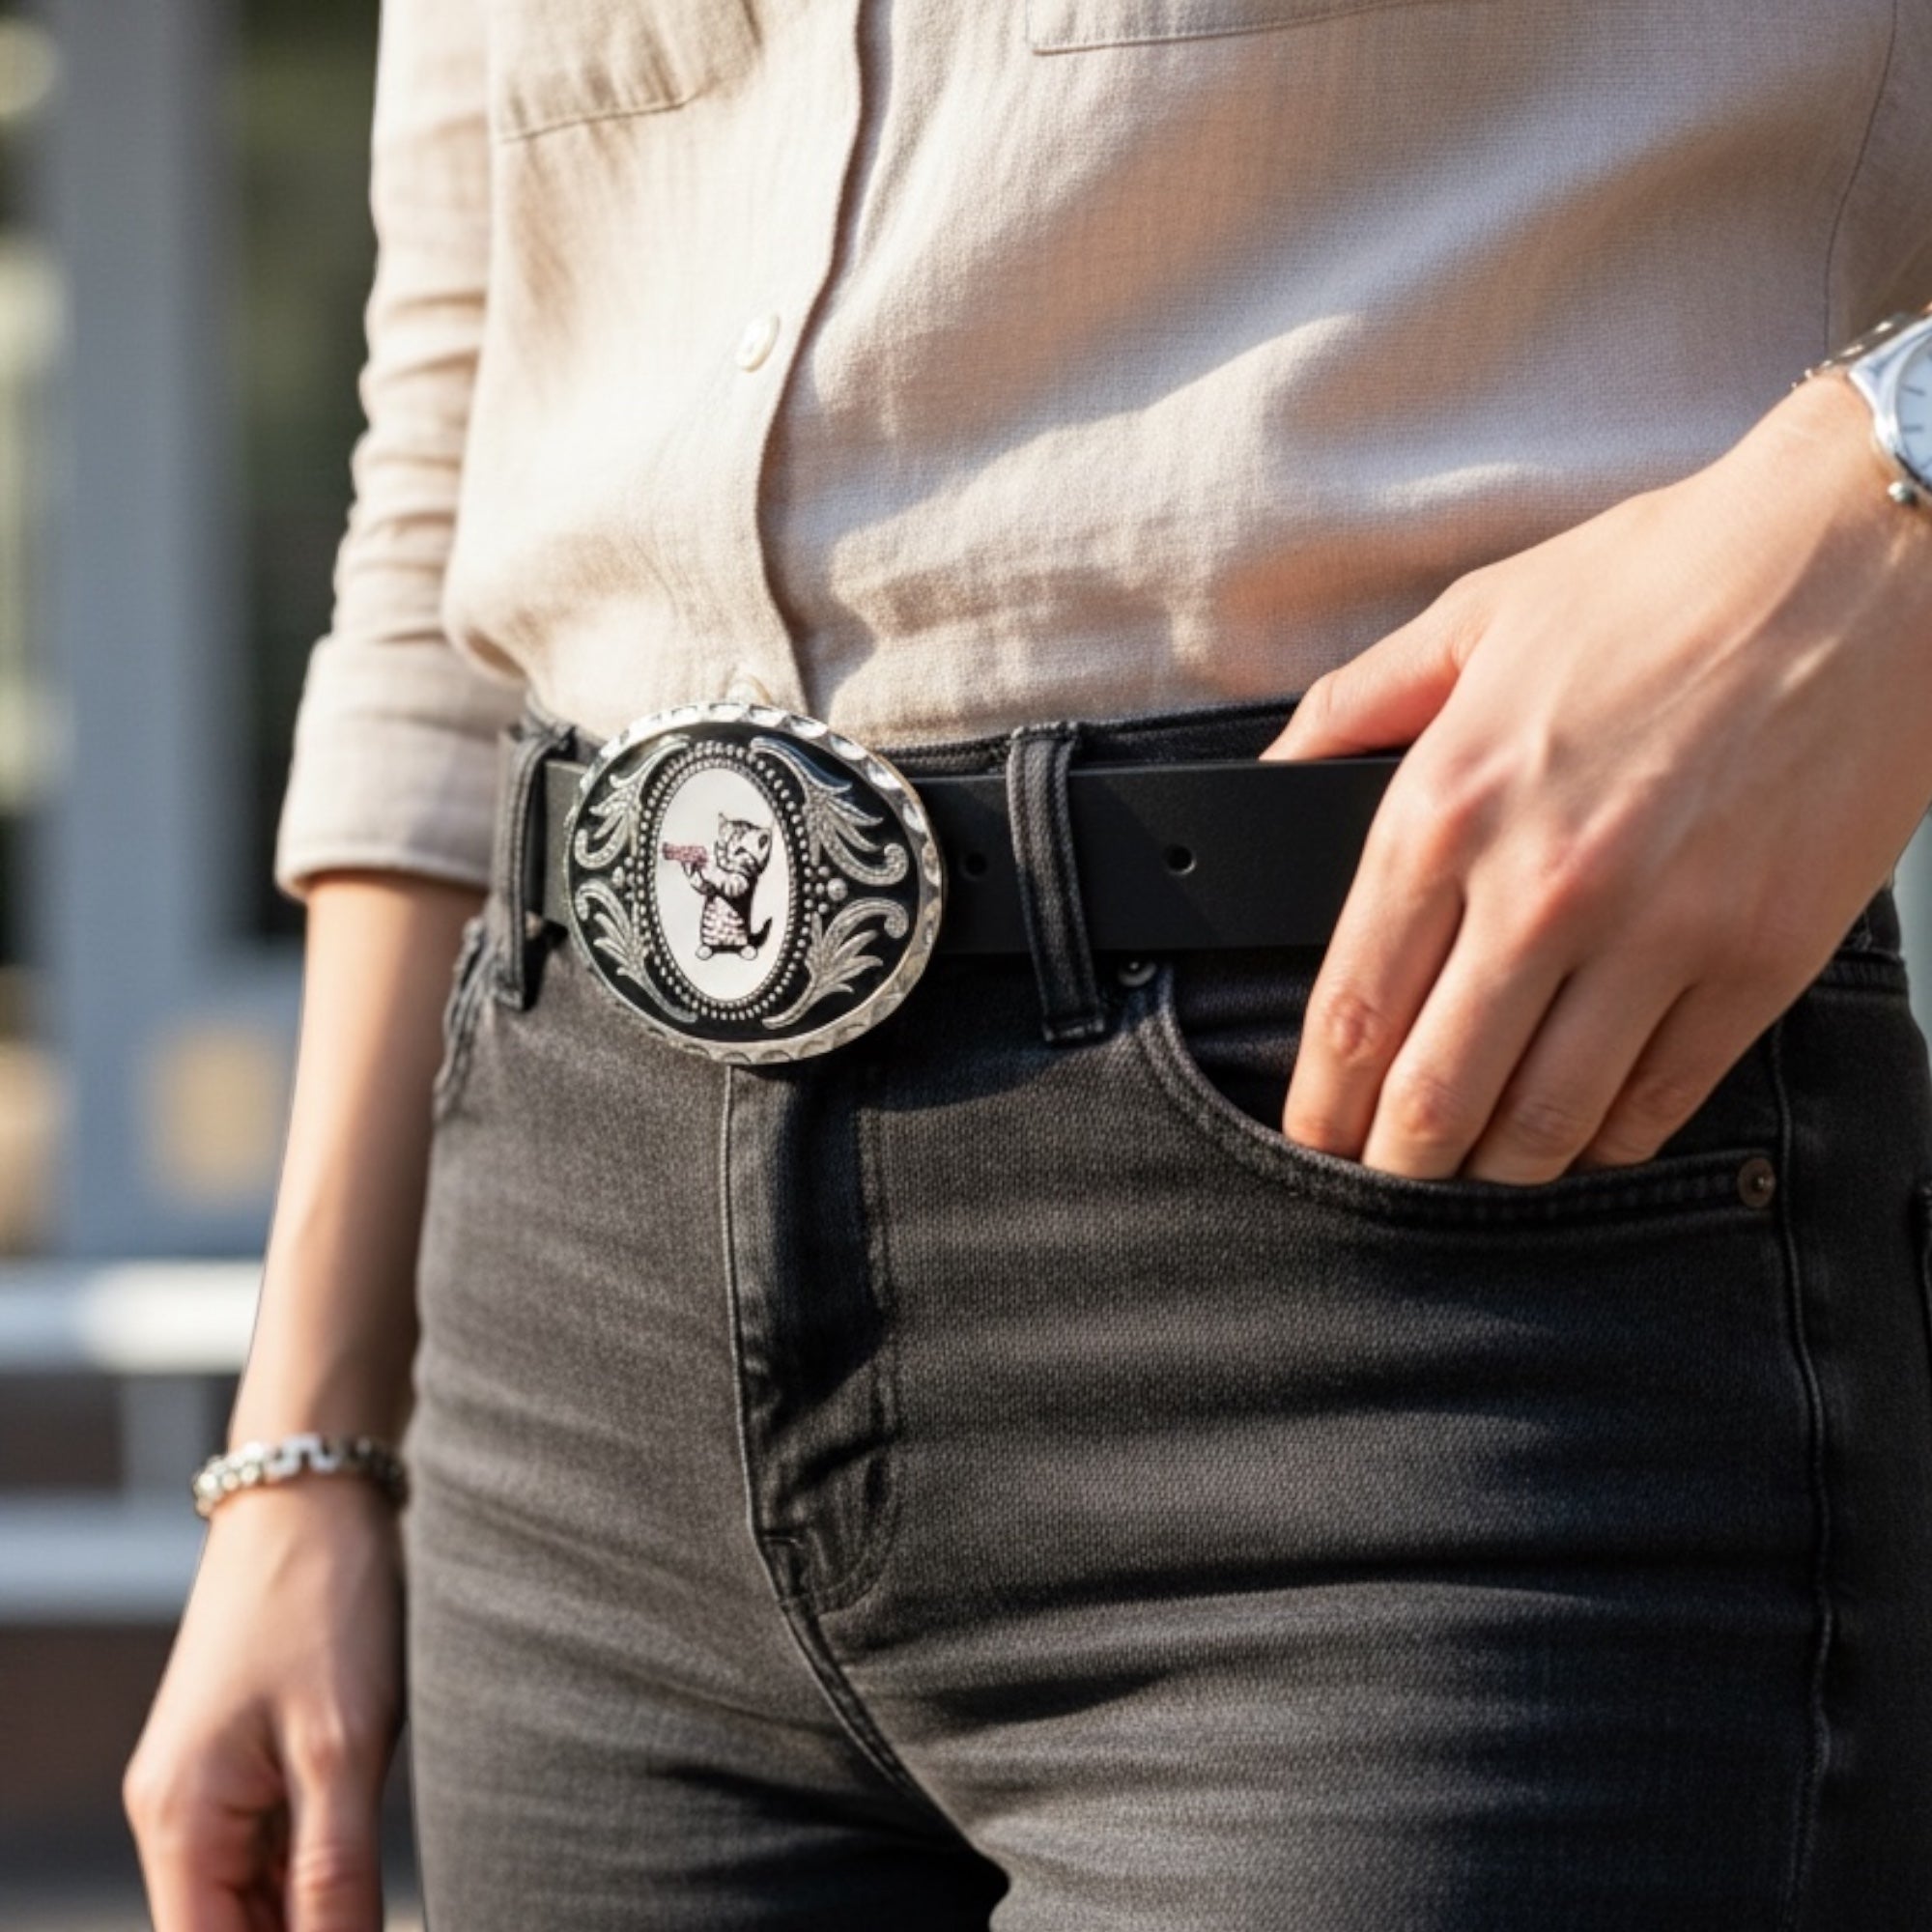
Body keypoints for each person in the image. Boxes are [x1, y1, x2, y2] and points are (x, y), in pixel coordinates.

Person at [124, 2, 1932, 1927]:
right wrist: (308, 1445)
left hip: (1427, 1194)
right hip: (576, 1357)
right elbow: (446, 481)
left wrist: (1889, 485)